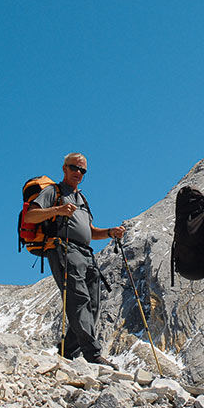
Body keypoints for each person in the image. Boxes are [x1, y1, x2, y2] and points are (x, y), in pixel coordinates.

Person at [23, 153, 126, 367]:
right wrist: (58, 210)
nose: (78, 173)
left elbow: (89, 231)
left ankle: (67, 350)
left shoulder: (82, 199)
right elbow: (30, 216)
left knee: (94, 304)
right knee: (78, 300)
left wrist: (109, 232)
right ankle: (92, 353)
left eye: (82, 170)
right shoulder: (54, 192)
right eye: (74, 168)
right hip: (63, 249)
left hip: (86, 254)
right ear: (64, 168)